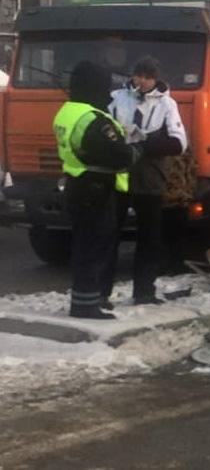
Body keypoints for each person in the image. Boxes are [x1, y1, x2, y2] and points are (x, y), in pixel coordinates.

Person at [53, 61, 143, 320]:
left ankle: (85, 300)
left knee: (83, 245)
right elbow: (119, 155)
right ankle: (85, 305)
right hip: (95, 188)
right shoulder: (92, 119)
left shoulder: (67, 111)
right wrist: (137, 150)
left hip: (77, 182)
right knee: (93, 247)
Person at [106, 56, 187, 305]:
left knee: (149, 237)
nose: (140, 81)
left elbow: (178, 142)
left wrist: (145, 142)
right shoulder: (118, 98)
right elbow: (106, 127)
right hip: (120, 175)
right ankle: (101, 292)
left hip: (150, 177)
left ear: (155, 79)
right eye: (137, 76)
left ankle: (144, 291)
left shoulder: (167, 104)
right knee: (109, 235)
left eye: (146, 77)